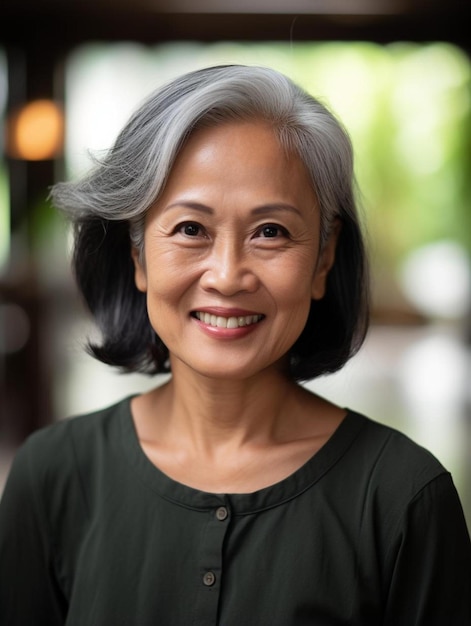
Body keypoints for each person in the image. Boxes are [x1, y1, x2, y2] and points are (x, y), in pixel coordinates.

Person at [0, 64, 470, 625]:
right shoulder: (51, 475)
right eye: (190, 229)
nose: (227, 276)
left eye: (270, 231)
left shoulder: (403, 496)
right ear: (136, 254)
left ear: (323, 257)